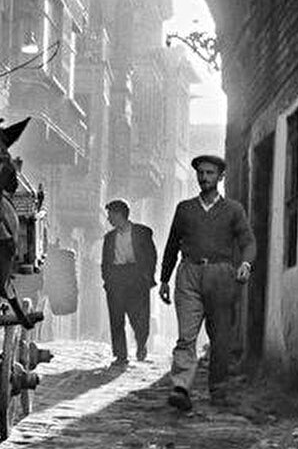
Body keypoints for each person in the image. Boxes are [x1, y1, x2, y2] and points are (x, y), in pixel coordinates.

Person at [159, 153, 256, 410]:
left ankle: (218, 389)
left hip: (221, 275)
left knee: (221, 336)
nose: (204, 178)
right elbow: (171, 246)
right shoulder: (185, 209)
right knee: (186, 336)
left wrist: (245, 263)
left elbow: (248, 242)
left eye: (210, 173)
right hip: (189, 272)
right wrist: (165, 279)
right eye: (201, 173)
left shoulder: (233, 210)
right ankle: (181, 386)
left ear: (220, 177)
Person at [100, 199, 157, 366]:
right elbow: (105, 261)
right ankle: (121, 355)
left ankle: (141, 344)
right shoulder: (109, 237)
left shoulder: (142, 232)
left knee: (138, 317)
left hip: (136, 278)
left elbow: (151, 256)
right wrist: (107, 279)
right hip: (116, 279)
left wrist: (147, 276)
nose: (109, 219)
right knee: (116, 318)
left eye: (111, 215)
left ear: (119, 215)